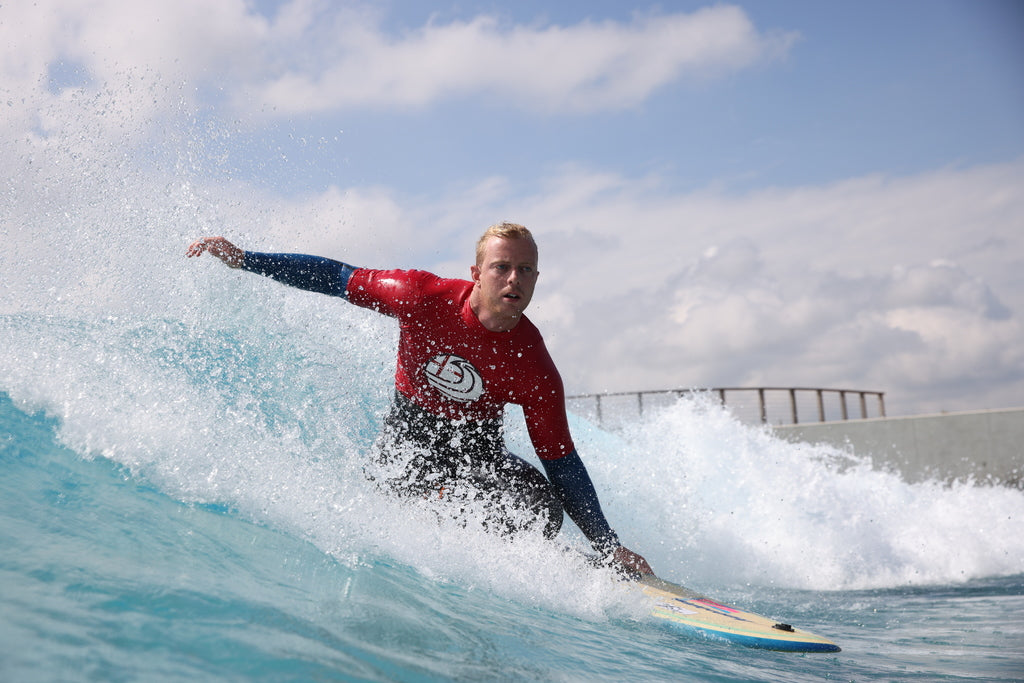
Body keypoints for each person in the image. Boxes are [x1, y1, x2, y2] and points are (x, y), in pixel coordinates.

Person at [187, 223, 652, 577]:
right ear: (476, 274)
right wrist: (247, 259)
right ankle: (436, 511)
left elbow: (562, 461)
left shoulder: (534, 366)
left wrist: (609, 546)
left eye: (526, 270)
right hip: (408, 445)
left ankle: (499, 546)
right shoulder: (420, 297)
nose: (515, 278)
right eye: (502, 267)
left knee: (542, 507)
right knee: (413, 484)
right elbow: (334, 276)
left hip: (477, 450)